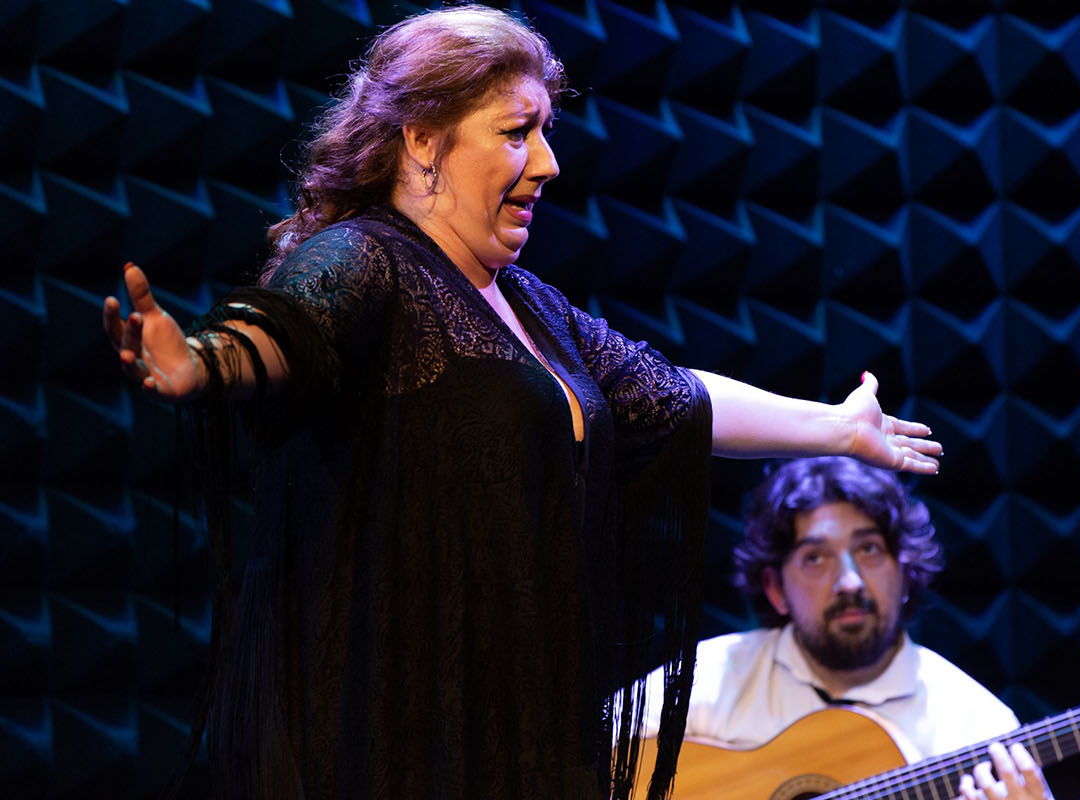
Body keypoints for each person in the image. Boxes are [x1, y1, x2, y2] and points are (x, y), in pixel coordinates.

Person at [100, 7, 941, 800]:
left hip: (523, 722)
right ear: (422, 139)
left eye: (545, 130)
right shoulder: (363, 258)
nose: (547, 163)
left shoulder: (526, 302)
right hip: (404, 734)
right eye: (515, 133)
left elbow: (676, 397)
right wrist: (208, 363)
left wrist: (833, 428)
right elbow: (289, 332)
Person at [641, 457, 1053, 800]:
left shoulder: (977, 727)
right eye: (816, 558)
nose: (850, 582)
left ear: (905, 571)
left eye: (869, 549)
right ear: (775, 588)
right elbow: (587, 765)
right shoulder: (704, 681)